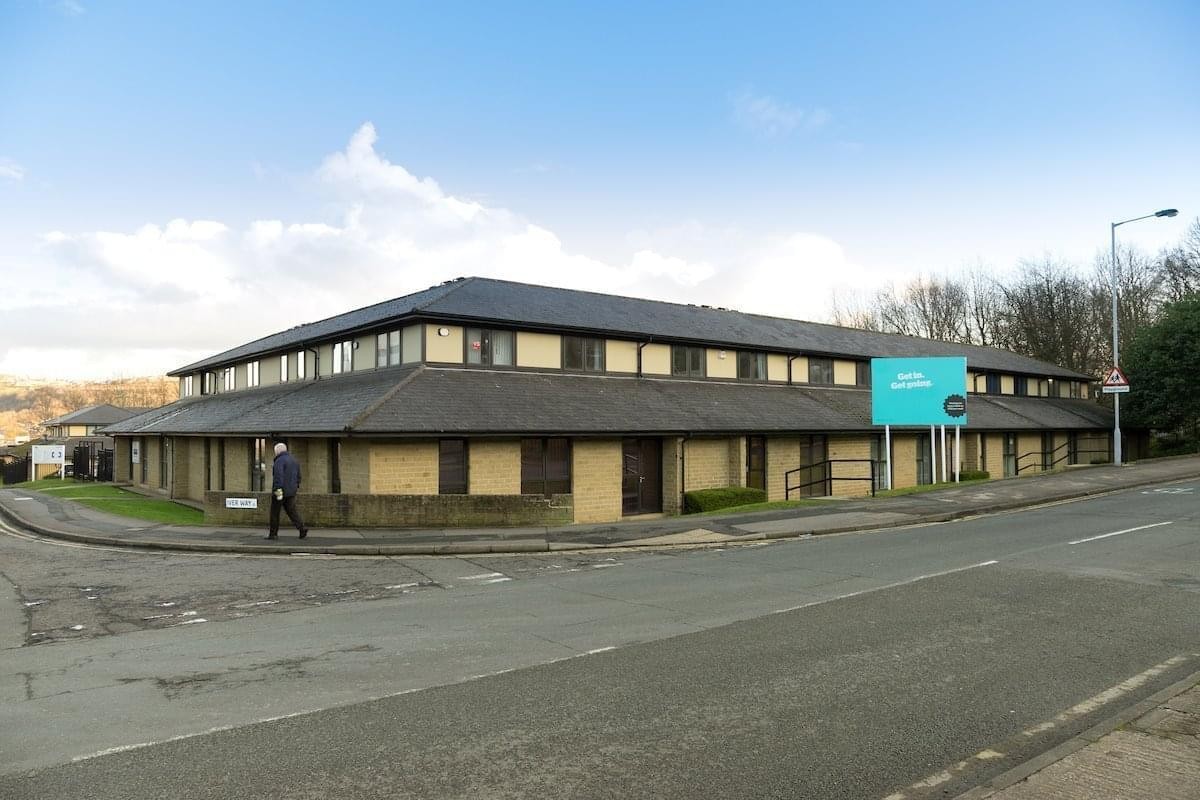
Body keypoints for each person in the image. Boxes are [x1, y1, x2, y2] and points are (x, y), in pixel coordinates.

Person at [267, 442, 308, 540]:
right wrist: (295, 487)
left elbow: (278, 476)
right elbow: (299, 476)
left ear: (277, 451)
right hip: (291, 491)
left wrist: (277, 490)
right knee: (292, 511)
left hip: (280, 491)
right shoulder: (294, 460)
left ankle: (273, 534)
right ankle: (302, 528)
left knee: (275, 512)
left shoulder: (279, 461)